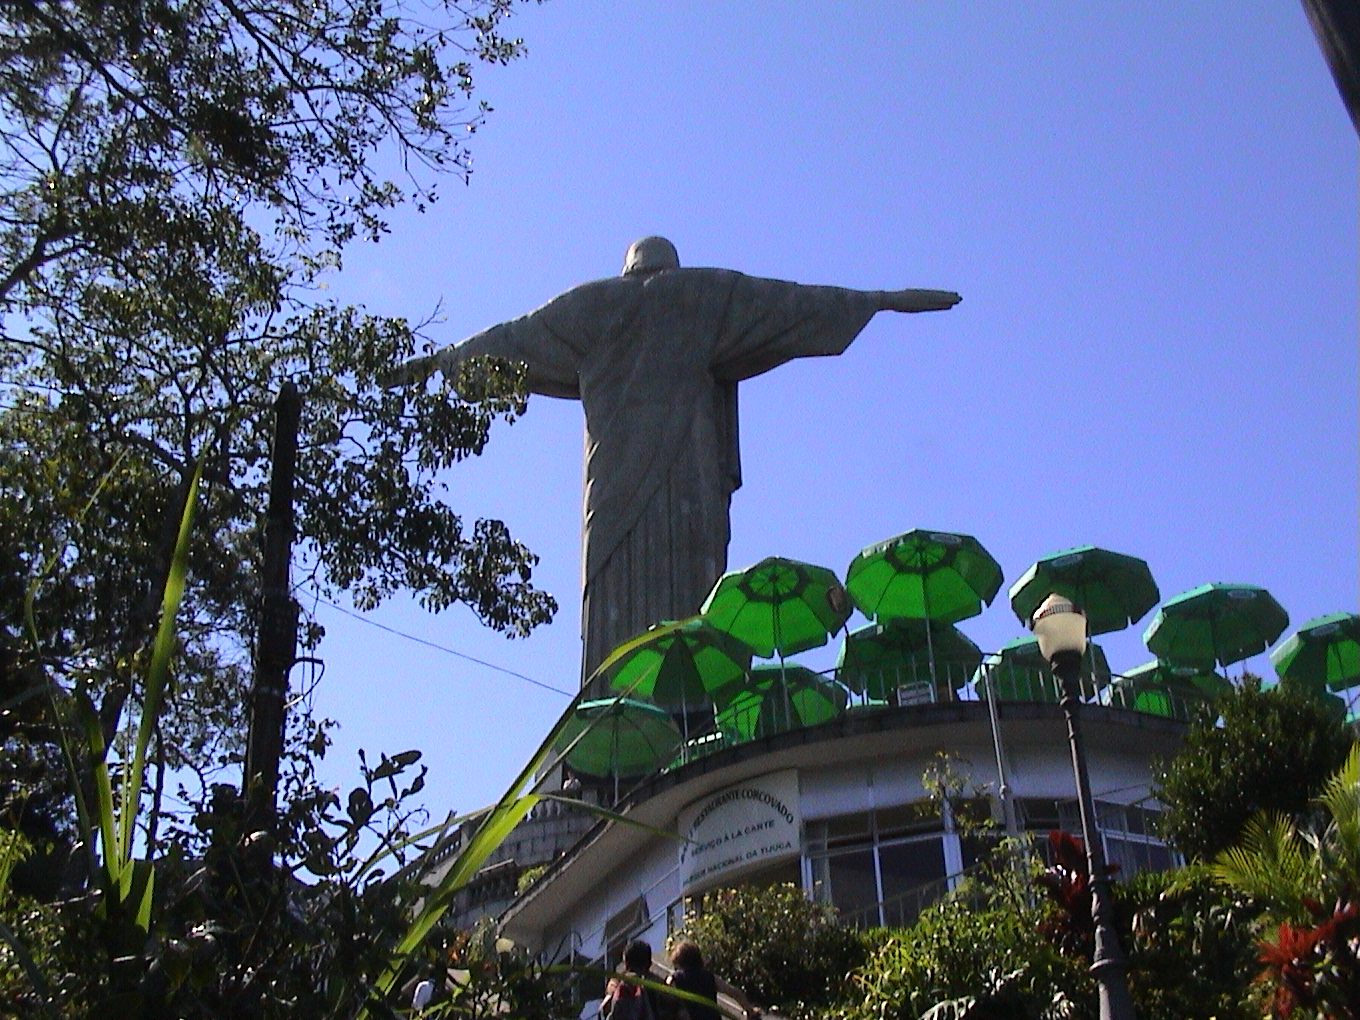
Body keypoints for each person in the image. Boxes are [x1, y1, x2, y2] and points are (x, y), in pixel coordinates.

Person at [387, 237, 961, 681]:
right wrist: (878, 300)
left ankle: (612, 712)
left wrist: (439, 361)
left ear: (628, 270)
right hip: (690, 482)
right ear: (670, 268)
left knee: (612, 595)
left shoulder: (589, 306)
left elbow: (511, 340)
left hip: (610, 488)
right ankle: (690, 696)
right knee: (698, 595)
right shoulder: (703, 295)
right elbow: (792, 304)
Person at [666, 940, 760, 1020]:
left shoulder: (677, 977)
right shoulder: (709, 977)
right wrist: (750, 1011)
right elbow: (735, 993)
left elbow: (667, 988)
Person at [602, 939, 671, 1020]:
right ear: (649, 963)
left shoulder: (620, 987)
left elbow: (604, 1010)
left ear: (626, 964)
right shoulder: (662, 987)